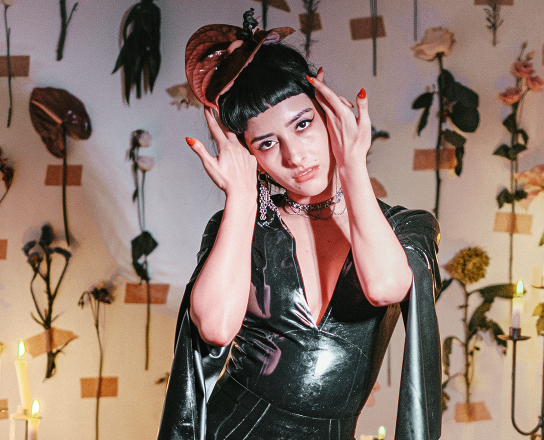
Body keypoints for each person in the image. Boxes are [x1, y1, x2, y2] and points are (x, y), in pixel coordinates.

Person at [158, 9, 442, 440]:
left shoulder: (407, 227)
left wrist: (352, 165)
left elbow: (385, 287)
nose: (293, 157)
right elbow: (215, 328)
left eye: (303, 124)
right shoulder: (238, 227)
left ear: (331, 115)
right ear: (250, 155)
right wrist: (241, 197)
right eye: (267, 143)